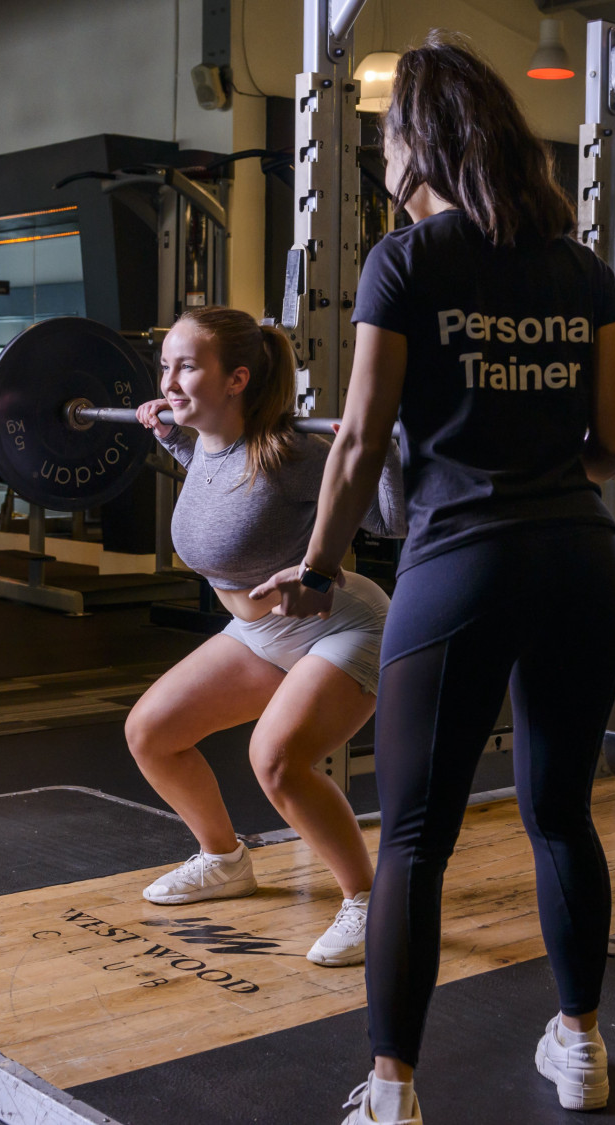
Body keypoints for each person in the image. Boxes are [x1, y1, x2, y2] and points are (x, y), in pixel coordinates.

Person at [251, 33, 615, 1124]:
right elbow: (611, 438)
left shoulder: (407, 261)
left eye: (384, 137)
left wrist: (319, 566)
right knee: (562, 817)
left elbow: (362, 434)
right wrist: (538, 453)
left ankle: (391, 1093)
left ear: (418, 143)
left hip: (462, 563)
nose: (380, 157)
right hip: (581, 561)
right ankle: (582, 1047)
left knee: (415, 835)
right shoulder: (584, 267)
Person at [125, 306, 405, 968]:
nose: (169, 380)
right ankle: (223, 859)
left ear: (237, 379)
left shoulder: (294, 455)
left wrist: (379, 447)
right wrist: (171, 437)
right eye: (164, 366)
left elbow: (391, 522)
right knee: (152, 733)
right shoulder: (203, 446)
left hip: (340, 624)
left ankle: (368, 899)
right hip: (261, 632)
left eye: (187, 366)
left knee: (274, 761)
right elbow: (221, 488)